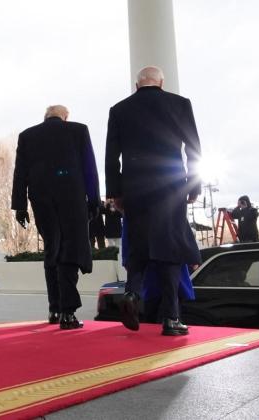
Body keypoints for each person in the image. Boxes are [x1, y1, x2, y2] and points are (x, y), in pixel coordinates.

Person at [105, 66, 202, 336]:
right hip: (170, 185)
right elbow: (194, 148)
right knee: (169, 250)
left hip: (135, 186)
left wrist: (115, 193)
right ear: (161, 82)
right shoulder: (180, 104)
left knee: (138, 245)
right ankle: (171, 319)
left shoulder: (119, 109)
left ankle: (132, 294)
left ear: (137, 86)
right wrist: (194, 186)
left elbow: (112, 156)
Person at [11, 105, 100, 330]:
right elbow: (90, 168)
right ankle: (68, 312)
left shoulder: (27, 136)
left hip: (41, 199)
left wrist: (19, 206)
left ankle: (55, 308)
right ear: (66, 117)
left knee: (53, 249)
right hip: (72, 197)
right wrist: (94, 201)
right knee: (70, 250)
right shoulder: (78, 130)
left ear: (45, 117)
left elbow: (20, 172)